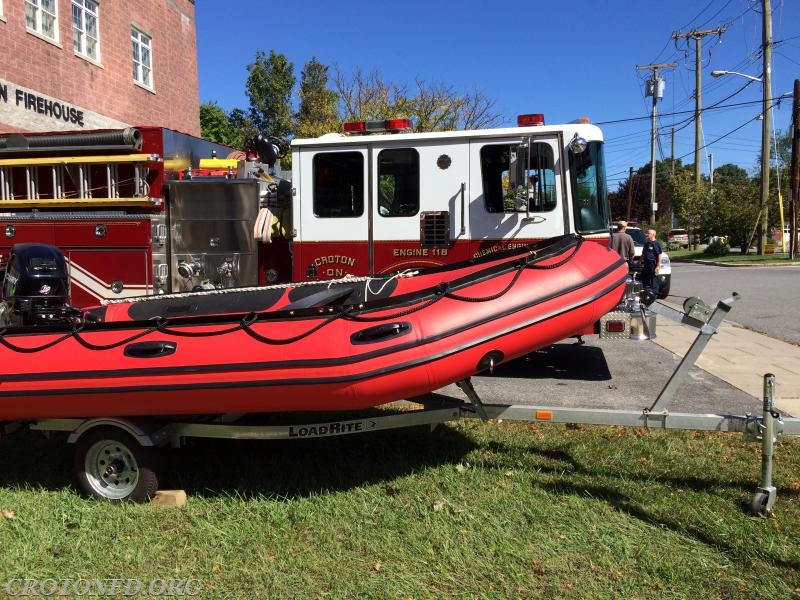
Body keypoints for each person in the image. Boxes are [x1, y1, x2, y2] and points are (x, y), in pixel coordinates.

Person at [641, 227, 663, 294]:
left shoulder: (656, 244)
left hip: (653, 265)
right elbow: (643, 254)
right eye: (647, 233)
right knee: (644, 279)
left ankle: (654, 294)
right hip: (646, 265)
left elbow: (659, 255)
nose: (647, 234)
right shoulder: (646, 243)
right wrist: (639, 262)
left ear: (653, 234)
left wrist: (658, 266)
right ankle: (646, 293)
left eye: (648, 233)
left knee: (653, 280)